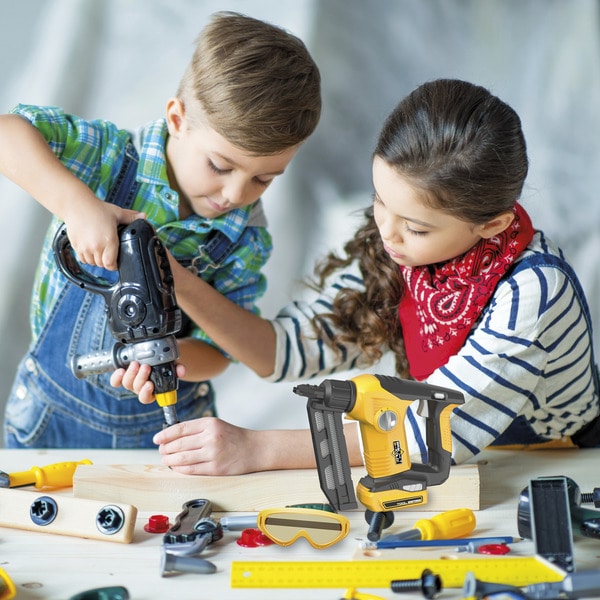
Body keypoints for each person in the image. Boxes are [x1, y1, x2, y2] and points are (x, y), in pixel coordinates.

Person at [114, 78, 600, 475]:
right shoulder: (400, 246)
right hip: (471, 463)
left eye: (415, 226)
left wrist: (257, 449)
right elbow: (284, 349)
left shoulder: (533, 291)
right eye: (380, 200)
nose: (387, 232)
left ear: (491, 224)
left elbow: (429, 434)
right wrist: (171, 278)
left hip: (562, 462)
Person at [1, 11, 321, 448]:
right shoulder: (109, 160)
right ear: (177, 118)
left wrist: (165, 358)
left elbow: (220, 354)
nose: (234, 193)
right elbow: (7, 133)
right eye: (220, 166)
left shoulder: (242, 238)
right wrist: (77, 205)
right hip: (46, 419)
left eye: (264, 179)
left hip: (159, 434)